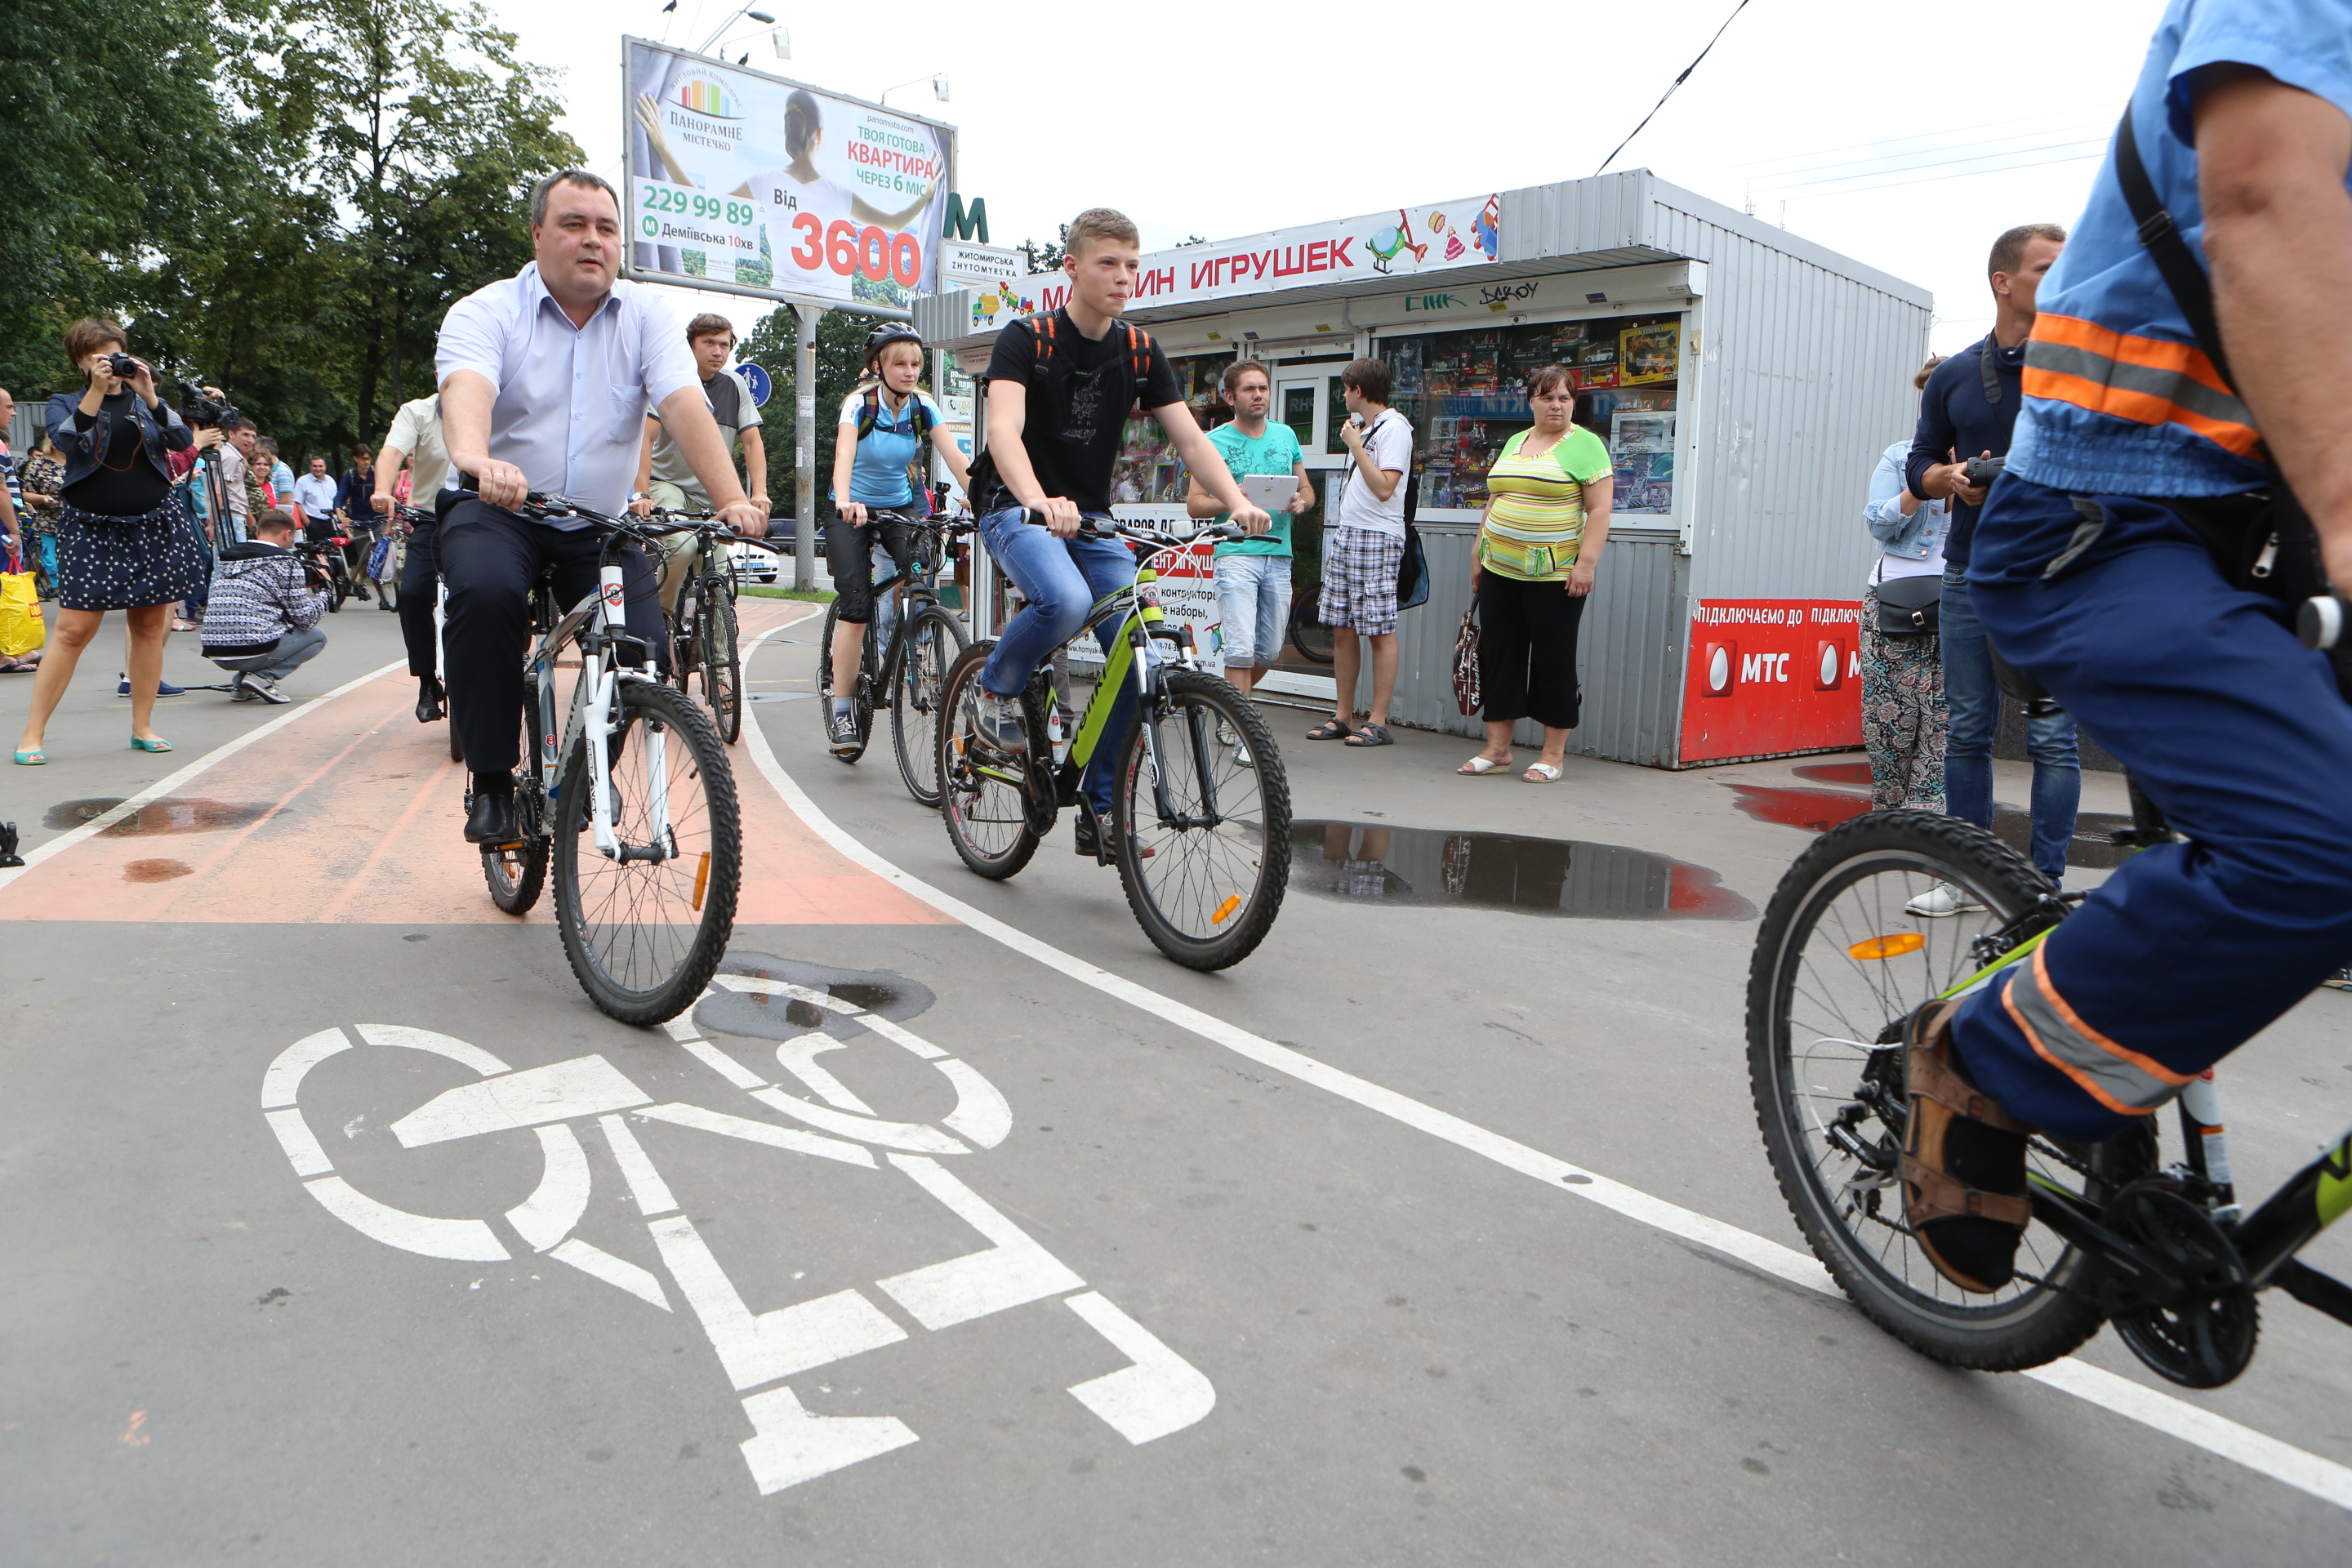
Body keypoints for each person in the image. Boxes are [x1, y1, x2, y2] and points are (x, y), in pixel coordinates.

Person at [1893, 0, 2352, 1297]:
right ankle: (1982, 1055)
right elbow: (2262, 194)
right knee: (2320, 843)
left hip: (2268, 535)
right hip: (2110, 516)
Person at [434, 168, 764, 845]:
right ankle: (493, 780)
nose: (592, 240)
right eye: (573, 224)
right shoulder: (486, 310)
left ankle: (589, 770)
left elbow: (682, 406)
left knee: (644, 650)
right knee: (486, 595)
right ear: (537, 235)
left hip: (600, 524)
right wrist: (476, 458)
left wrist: (733, 499)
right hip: (502, 509)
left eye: (606, 228)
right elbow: (466, 390)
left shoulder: (646, 316)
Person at [963, 207, 1267, 860]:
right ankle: (996, 687)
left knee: (1143, 654)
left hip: (1092, 518)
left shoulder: (1136, 348)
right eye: (1108, 263)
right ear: (1072, 268)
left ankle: (1099, 808)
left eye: (1132, 265)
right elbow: (1002, 433)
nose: (1124, 277)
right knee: (1066, 601)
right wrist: (1038, 499)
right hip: (1014, 507)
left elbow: (1187, 438)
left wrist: (1237, 500)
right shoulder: (1028, 338)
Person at [1908, 225, 2081, 901]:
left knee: (2054, 738)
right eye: (2045, 269)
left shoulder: (2077, 367)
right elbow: (1922, 461)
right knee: (1969, 730)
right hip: (1968, 573)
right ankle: (1965, 878)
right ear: (2002, 282)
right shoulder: (1952, 376)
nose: (2061, 280)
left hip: (2054, 576)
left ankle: (2045, 886)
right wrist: (1948, 480)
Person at [13, 318, 201, 764]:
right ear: (80, 362)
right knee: (74, 631)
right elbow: (66, 440)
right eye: (99, 358)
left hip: (155, 523)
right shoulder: (67, 402)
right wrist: (97, 392)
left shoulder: (144, 400)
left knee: (150, 627)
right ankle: (33, 733)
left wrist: (150, 392)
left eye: (116, 355)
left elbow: (181, 440)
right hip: (92, 528)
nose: (111, 365)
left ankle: (143, 725)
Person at [1456, 366, 1615, 782]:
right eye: (1547, 397)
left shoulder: (1586, 445)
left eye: (1564, 398)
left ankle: (1552, 755)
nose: (1556, 405)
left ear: (1573, 403)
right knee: (1500, 657)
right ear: (1531, 402)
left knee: (1553, 662)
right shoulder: (1516, 441)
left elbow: (1600, 509)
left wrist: (1586, 564)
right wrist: (1478, 553)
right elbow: (1495, 499)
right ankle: (1498, 748)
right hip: (1499, 570)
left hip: (1556, 576)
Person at [822, 323, 972, 752]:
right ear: (878, 367)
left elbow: (955, 456)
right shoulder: (859, 404)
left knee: (919, 576)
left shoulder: (922, 406)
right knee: (856, 607)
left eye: (916, 364)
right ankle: (843, 707)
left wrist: (977, 499)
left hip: (900, 506)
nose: (910, 371)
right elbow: (843, 454)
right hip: (851, 506)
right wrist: (847, 500)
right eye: (900, 364)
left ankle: (914, 651)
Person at [1186, 360, 1312, 764]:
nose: (1259, 395)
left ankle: (1227, 708)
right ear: (1230, 397)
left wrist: (1301, 501)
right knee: (1239, 649)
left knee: (1270, 651)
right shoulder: (1214, 442)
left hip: (1279, 551)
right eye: (1249, 390)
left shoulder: (1286, 434)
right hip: (1237, 554)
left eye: (1263, 388)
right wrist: (1235, 499)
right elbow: (1195, 505)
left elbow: (1307, 489)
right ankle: (1244, 730)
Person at [635, 87, 933, 255]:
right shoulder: (839, 194)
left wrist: (663, 148)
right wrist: (928, 194)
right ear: (820, 135)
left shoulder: (766, 181)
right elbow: (895, 224)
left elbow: (704, 205)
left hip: (789, 294)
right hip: (835, 302)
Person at [630, 312, 769, 624]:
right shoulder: (674, 380)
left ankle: (720, 665)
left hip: (712, 492)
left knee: (718, 573)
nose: (717, 351)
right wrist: (640, 492)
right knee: (680, 547)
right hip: (669, 484)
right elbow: (645, 439)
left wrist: (758, 492)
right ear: (691, 345)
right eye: (708, 343)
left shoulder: (735, 385)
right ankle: (658, 619)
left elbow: (752, 442)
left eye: (724, 344)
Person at [1860, 359, 1953, 812]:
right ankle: (1889, 822)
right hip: (1896, 604)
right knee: (1889, 725)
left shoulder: (1992, 457)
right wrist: (1923, 482)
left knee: (1948, 727)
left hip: (1961, 603)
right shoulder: (1902, 455)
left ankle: (1930, 828)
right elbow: (1878, 523)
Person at [1312, 358, 1414, 749]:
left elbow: (1385, 487)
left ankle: (1378, 719)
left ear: (1359, 390)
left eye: (1346, 388)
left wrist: (1356, 447)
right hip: (1350, 533)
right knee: (1342, 626)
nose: (1343, 395)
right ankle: (1343, 715)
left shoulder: (1394, 429)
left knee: (1379, 628)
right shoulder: (1370, 427)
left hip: (1378, 536)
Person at [374, 395, 453, 721]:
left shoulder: (496, 404)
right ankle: (427, 683)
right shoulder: (417, 412)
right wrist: (383, 488)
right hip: (432, 519)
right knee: (413, 595)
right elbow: (391, 452)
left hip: (486, 519)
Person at [199, 508, 328, 702]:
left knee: (265, 625)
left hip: (214, 649)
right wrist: (326, 588)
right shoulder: (286, 563)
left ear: (258, 532)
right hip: (250, 649)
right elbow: (306, 619)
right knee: (317, 637)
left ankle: (241, 685)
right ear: (287, 534)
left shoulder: (228, 558)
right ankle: (263, 678)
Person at [18, 430, 64, 599]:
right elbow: (26, 493)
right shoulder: (39, 465)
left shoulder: (80, 462)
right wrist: (43, 498)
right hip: (49, 522)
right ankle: (57, 589)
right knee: (51, 562)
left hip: (78, 522)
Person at [291, 456, 337, 534]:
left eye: (320, 466)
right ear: (310, 467)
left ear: (325, 466)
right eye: (315, 466)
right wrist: (308, 524)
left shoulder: (330, 480)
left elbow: (335, 500)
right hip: (314, 522)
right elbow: (298, 503)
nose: (318, 469)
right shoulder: (302, 481)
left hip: (332, 522)